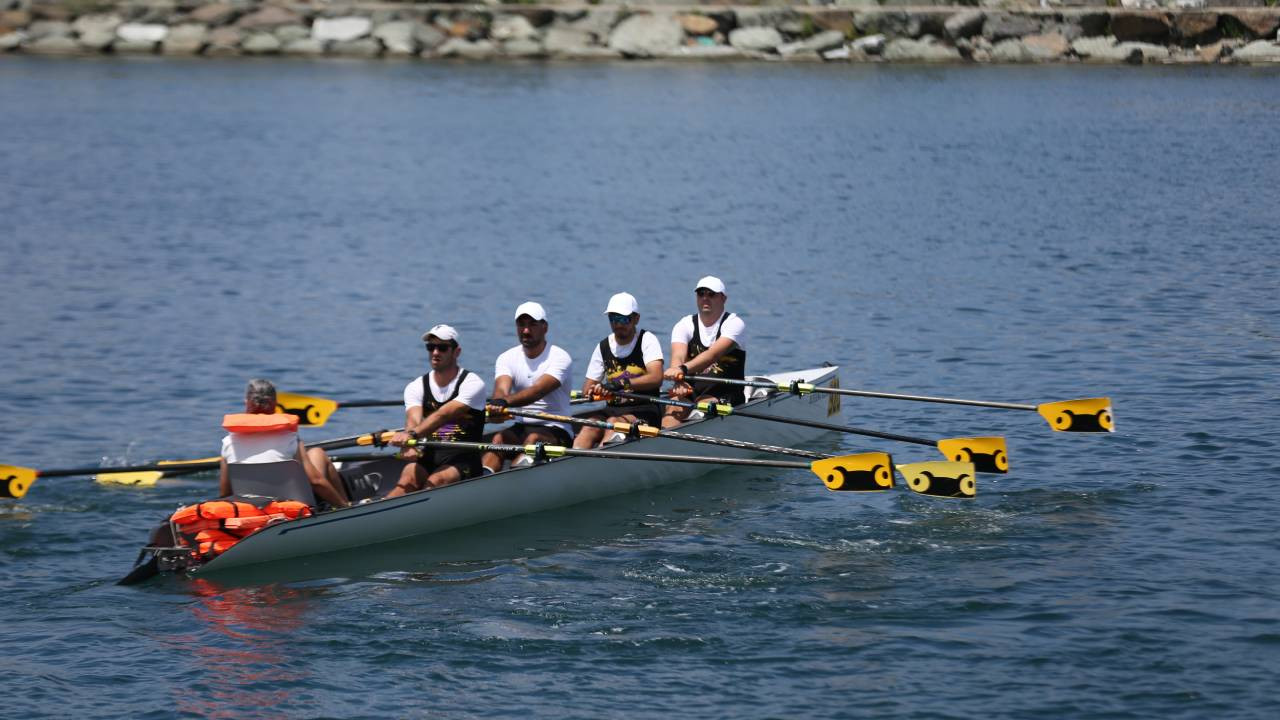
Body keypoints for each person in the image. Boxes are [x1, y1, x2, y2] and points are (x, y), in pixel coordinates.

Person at [385, 325, 489, 497]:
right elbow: (413, 420)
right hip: (429, 454)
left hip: (463, 459)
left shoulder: (472, 383)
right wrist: (409, 442)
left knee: (437, 481)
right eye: (430, 347)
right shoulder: (416, 386)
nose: (435, 352)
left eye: (442, 348)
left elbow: (444, 414)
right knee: (407, 479)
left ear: (456, 352)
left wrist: (412, 436)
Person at [218, 378, 350, 508]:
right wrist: (342, 505)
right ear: (275, 403)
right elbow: (315, 482)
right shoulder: (290, 438)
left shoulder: (228, 442)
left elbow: (225, 493)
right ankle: (346, 507)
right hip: (292, 507)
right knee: (317, 452)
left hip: (252, 508)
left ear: (246, 402)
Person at [482, 301, 575, 472]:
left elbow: (537, 391)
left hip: (557, 428)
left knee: (533, 439)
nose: (526, 330)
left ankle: (513, 482)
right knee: (498, 439)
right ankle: (483, 480)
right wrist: (498, 403)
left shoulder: (560, 357)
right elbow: (501, 390)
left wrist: (505, 402)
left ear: (545, 327)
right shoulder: (506, 358)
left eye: (532, 324)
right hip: (521, 426)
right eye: (521, 325)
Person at [573, 292, 665, 448]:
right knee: (589, 425)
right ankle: (574, 461)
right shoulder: (603, 347)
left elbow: (656, 377)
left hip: (644, 409)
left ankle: (599, 461)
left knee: (613, 424)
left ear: (636, 319)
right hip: (612, 409)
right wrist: (595, 390)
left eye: (623, 319)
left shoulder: (646, 340)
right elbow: (587, 388)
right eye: (613, 319)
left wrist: (621, 384)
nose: (618, 324)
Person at [661, 276, 747, 428]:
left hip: (725, 393)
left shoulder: (734, 324)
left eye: (711, 294)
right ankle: (663, 444)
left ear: (723, 298)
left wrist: (681, 370)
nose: (705, 298)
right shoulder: (685, 324)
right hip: (691, 391)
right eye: (701, 294)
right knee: (672, 410)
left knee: (703, 406)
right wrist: (678, 380)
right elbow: (678, 356)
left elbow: (712, 354)